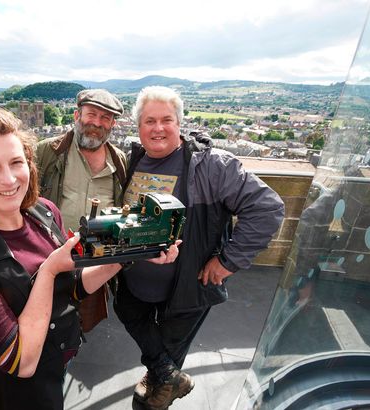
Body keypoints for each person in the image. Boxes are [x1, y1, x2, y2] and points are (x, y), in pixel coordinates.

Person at [0, 107, 181, 410]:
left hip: (60, 357)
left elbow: (73, 286)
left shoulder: (44, 212)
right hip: (21, 388)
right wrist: (48, 271)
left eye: (16, 162)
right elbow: (21, 361)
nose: (8, 179)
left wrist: (135, 252)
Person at [114, 86, 285, 410]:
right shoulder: (134, 160)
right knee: (128, 312)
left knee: (167, 350)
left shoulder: (212, 166)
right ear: (138, 127)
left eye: (166, 119)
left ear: (179, 124)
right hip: (135, 279)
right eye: (149, 120)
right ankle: (163, 372)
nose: (158, 128)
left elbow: (268, 208)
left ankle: (156, 392)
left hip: (187, 286)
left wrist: (227, 261)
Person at [36, 89, 127, 332]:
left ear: (113, 124)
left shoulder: (119, 161)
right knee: (45, 321)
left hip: (94, 262)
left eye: (105, 118)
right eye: (92, 114)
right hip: (50, 257)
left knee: (81, 325)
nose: (96, 123)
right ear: (77, 115)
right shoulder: (47, 152)